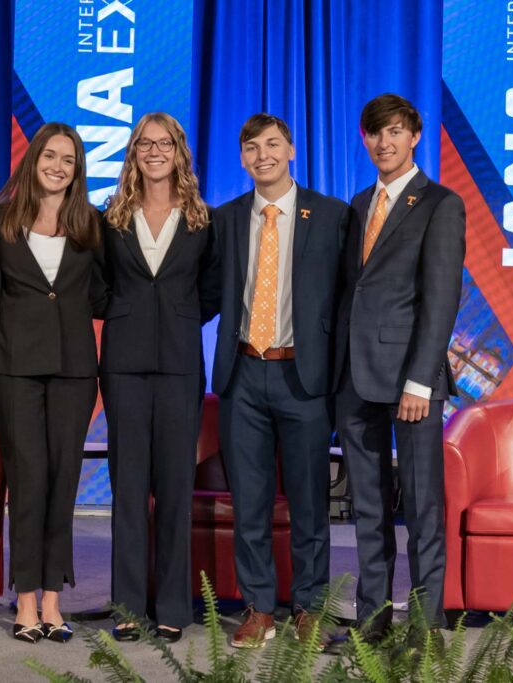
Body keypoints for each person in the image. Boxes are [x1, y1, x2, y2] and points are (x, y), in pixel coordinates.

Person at [210, 113, 349, 650]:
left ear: (291, 149)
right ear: (242, 158)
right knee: (250, 501)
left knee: (311, 503)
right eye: (251, 147)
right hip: (242, 373)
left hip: (304, 377)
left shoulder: (332, 216)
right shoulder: (225, 219)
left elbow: (346, 297)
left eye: (272, 144)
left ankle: (309, 607)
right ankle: (259, 607)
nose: (262, 154)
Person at [333, 94, 466, 644]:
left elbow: (441, 299)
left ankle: (426, 624)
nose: (383, 143)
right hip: (355, 377)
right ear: (364, 139)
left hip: (412, 381)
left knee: (421, 506)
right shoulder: (358, 204)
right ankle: (372, 620)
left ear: (413, 137)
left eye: (394, 132)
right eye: (374, 133)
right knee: (367, 509)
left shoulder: (441, 202)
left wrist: (420, 378)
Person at [100, 112, 219, 643]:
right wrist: (129, 312)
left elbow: (213, 289)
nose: (154, 151)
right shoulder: (111, 216)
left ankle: (172, 604)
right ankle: (127, 606)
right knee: (127, 491)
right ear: (133, 153)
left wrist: (179, 315)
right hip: (122, 365)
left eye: (163, 143)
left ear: (178, 151)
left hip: (178, 365)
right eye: (144, 143)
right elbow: (97, 285)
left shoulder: (201, 218)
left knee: (173, 488)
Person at [0, 122, 105, 644]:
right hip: (14, 368)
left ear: (78, 170)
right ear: (32, 161)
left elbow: (102, 293)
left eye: (69, 159)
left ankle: (54, 600)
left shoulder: (92, 224)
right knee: (28, 480)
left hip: (76, 371)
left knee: (62, 482)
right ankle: (24, 600)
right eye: (50, 156)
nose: (58, 166)